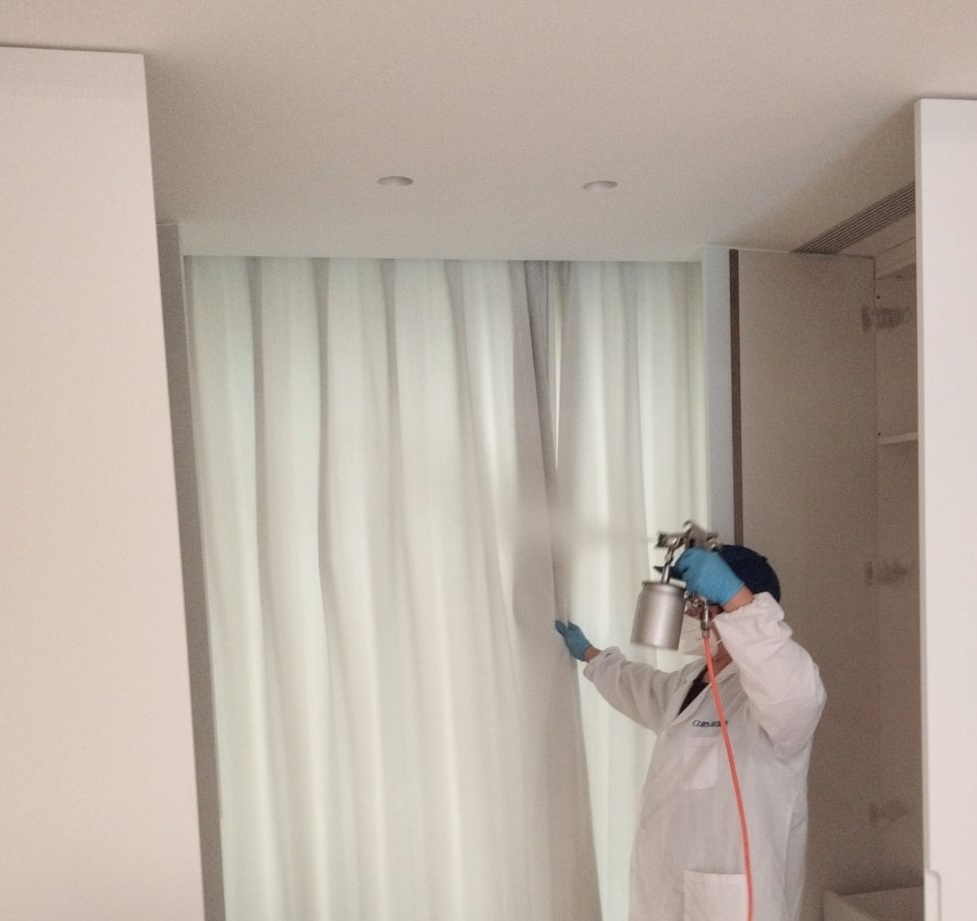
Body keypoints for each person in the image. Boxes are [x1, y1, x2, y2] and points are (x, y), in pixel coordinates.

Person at [556, 545, 826, 921]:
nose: (685, 614)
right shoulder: (693, 679)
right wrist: (593, 655)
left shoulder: (780, 690)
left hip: (736, 899)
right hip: (670, 884)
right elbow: (643, 688)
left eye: (696, 604)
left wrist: (737, 599)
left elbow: (786, 683)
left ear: (726, 608)